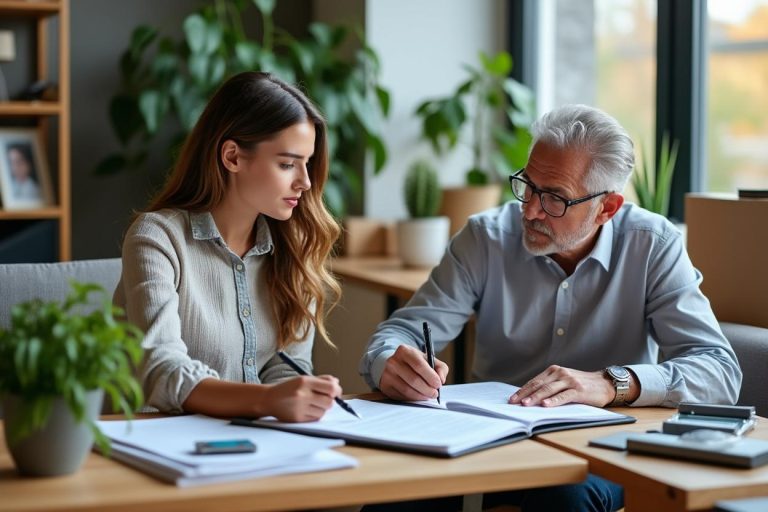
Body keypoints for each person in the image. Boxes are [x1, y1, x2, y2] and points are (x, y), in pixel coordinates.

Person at [359, 104, 742, 512]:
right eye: (527, 185)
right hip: (492, 439)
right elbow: (400, 333)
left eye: (554, 199)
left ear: (607, 208)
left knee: (564, 496)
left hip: (601, 446)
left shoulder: (653, 244)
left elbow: (719, 371)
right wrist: (392, 364)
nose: (529, 209)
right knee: (400, 494)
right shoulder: (485, 238)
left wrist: (612, 384)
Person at [114, 71, 345, 422]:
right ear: (233, 157)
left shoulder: (294, 249)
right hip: (162, 445)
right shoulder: (157, 238)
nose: (306, 182)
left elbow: (286, 369)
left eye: (307, 163)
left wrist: (301, 396)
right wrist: (269, 401)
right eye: (287, 164)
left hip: (259, 441)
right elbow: (162, 372)